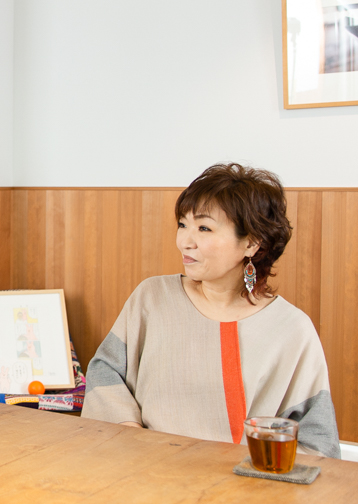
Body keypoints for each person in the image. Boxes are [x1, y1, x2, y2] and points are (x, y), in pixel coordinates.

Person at [81, 163, 339, 457]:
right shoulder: (152, 297)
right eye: (183, 225)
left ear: (251, 243)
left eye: (204, 228)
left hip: (242, 482)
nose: (185, 242)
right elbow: (105, 370)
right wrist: (130, 433)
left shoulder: (291, 329)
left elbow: (317, 440)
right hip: (143, 470)